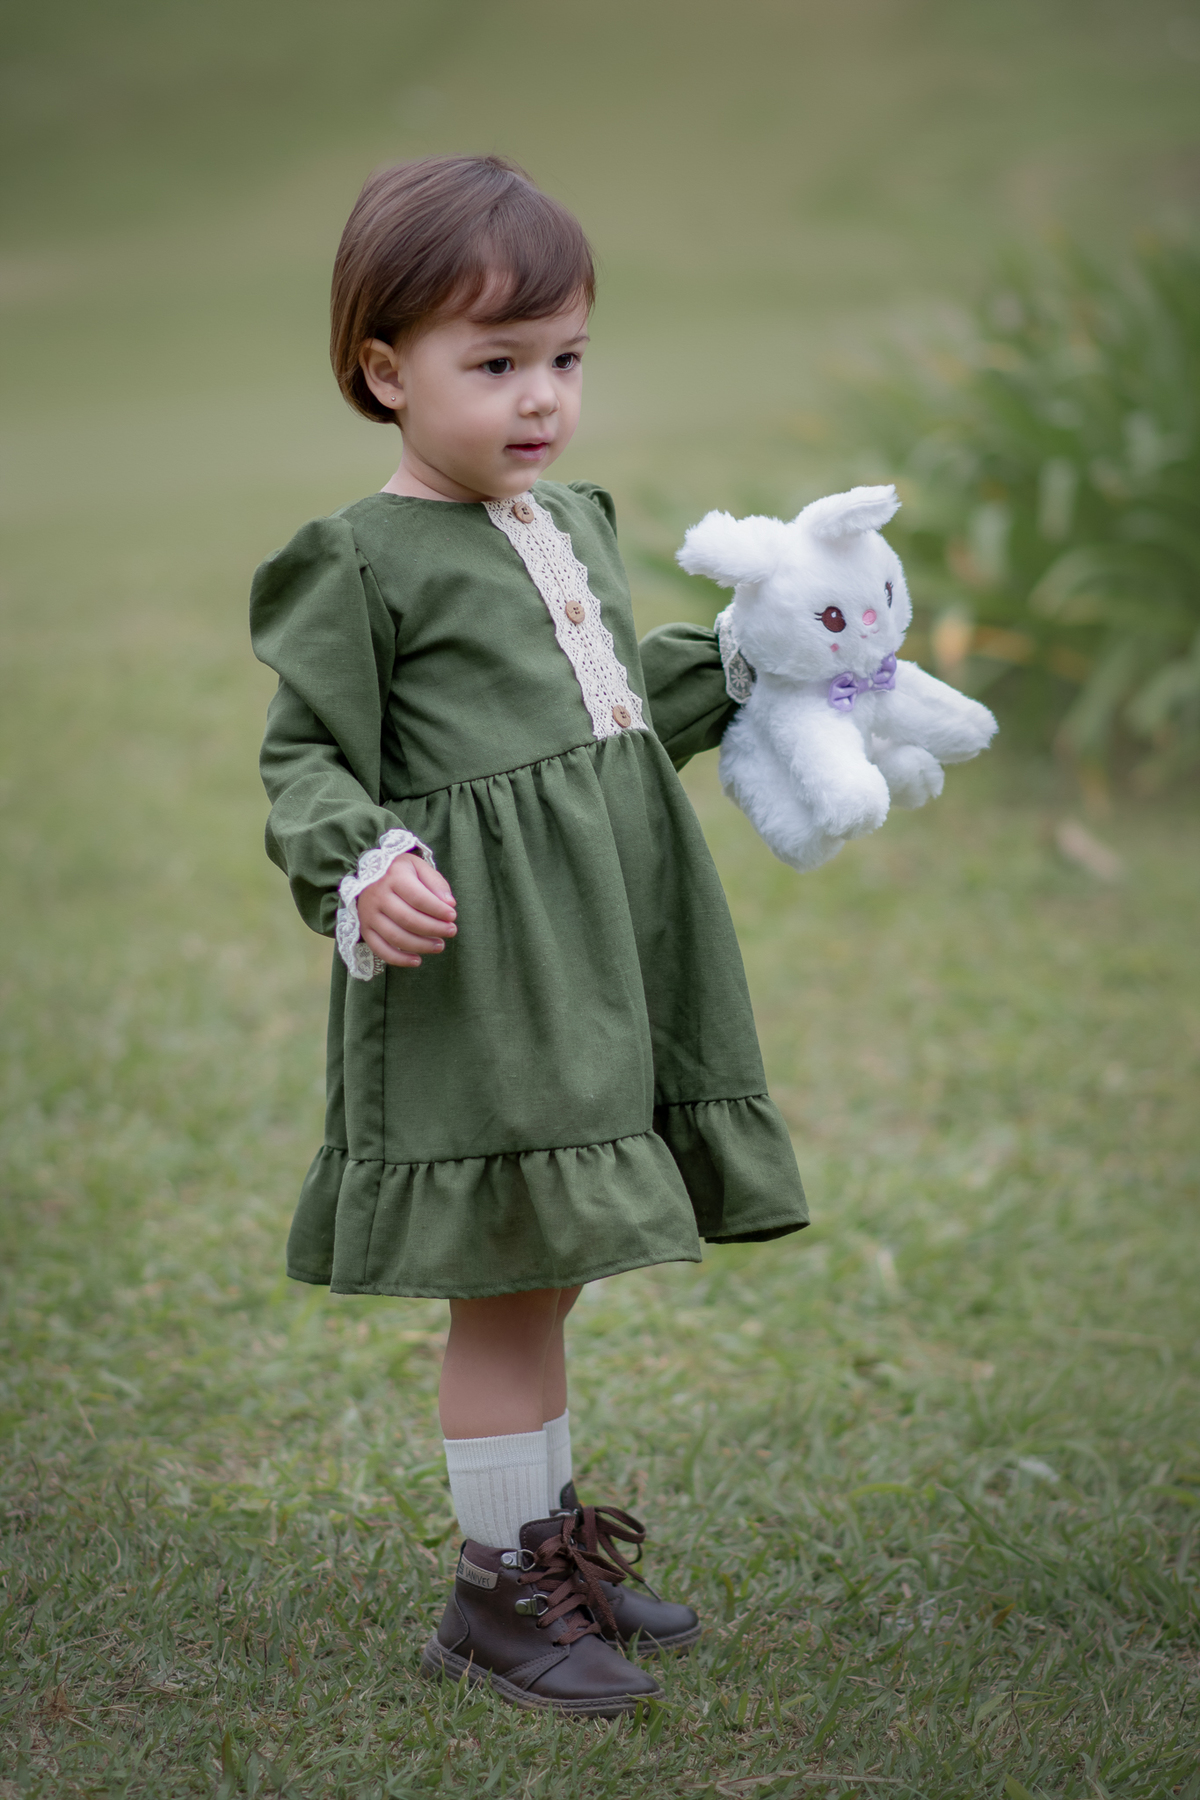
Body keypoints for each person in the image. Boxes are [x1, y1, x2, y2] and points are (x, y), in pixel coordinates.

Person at [250, 154, 807, 1718]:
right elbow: (305, 761)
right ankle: (495, 1598)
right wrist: (359, 866)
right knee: (505, 1273)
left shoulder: (571, 516)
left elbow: (612, 719)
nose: (542, 396)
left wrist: (756, 664)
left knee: (548, 1272)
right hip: (482, 978)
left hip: (605, 958)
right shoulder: (360, 560)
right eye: (493, 364)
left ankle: (542, 1543)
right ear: (384, 370)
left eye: (563, 356)